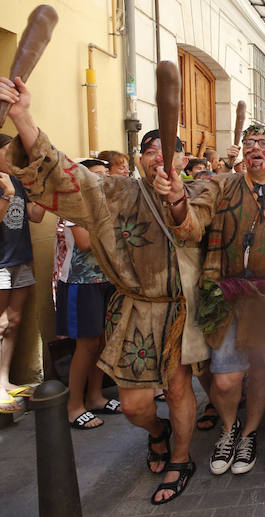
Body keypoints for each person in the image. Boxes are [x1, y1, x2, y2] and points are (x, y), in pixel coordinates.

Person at [0, 75, 202, 505]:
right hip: (135, 309)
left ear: (184, 159)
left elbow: (195, 229)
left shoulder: (202, 189)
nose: (159, 159)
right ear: (139, 158)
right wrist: (23, 118)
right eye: (151, 152)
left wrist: (179, 199)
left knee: (181, 388)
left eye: (169, 152)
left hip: (181, 309)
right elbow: (70, 177)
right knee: (133, 404)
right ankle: (156, 431)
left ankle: (181, 458)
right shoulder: (115, 191)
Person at [155, 123, 265, 477]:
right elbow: (192, 223)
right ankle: (229, 429)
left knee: (259, 370)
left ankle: (250, 432)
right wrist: (177, 196)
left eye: (263, 143)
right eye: (249, 143)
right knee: (225, 378)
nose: (254, 148)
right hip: (224, 293)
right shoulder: (221, 185)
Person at [56, 158, 120, 429]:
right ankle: (74, 405)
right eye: (96, 175)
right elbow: (84, 243)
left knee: (102, 342)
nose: (103, 179)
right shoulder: (75, 203)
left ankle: (95, 396)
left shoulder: (108, 202)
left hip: (105, 280)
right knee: (86, 345)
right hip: (80, 283)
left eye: (106, 174)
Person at [0, 133, 45, 414]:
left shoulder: (17, 180)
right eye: (8, 152)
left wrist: (44, 190)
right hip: (1, 262)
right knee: (1, 323)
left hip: (21, 259)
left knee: (14, 322)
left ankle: (6, 380)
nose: (13, 158)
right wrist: (7, 194)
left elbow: (36, 215)